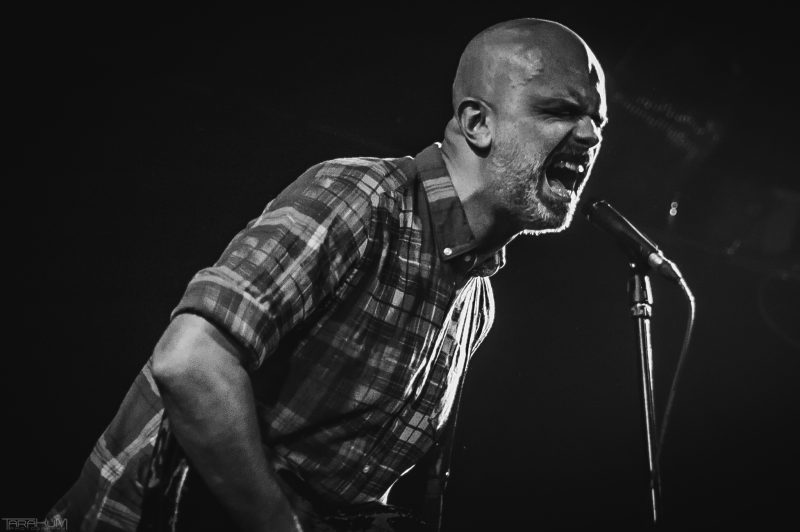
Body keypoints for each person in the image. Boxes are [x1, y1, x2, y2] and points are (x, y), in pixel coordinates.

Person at [48, 17, 607, 532]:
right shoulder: (365, 198)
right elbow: (190, 362)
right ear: (477, 122)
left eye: (597, 121)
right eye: (559, 111)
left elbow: (342, 479)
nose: (589, 136)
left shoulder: (476, 300)